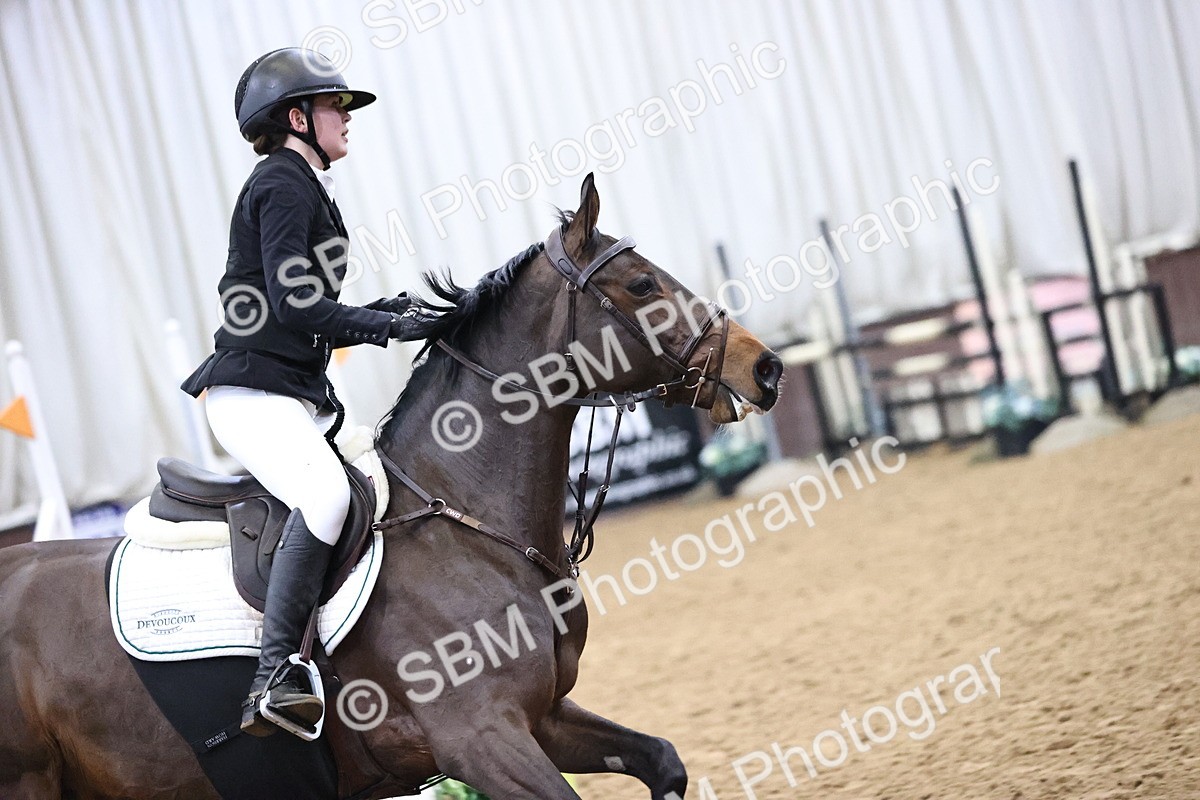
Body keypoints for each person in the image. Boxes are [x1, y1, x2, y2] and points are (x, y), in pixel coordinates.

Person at [181, 47, 421, 737]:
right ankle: (274, 675)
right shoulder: (282, 182)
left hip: (288, 394)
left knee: (374, 488)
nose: (346, 119)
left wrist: (399, 311)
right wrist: (385, 325)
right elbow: (295, 305)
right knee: (326, 496)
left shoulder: (301, 183)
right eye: (334, 107)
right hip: (253, 395)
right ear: (297, 118)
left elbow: (305, 303)